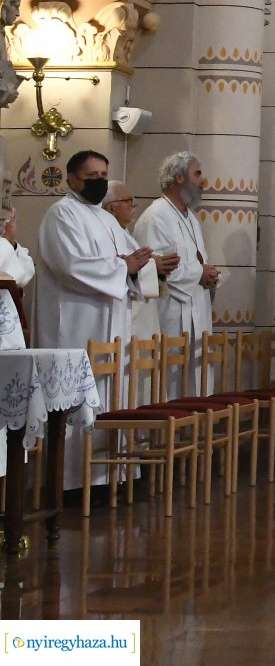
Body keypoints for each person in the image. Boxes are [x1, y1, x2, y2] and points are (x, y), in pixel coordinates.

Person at [37, 151, 150, 486]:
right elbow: (71, 265)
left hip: (109, 324)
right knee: (76, 399)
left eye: (104, 174)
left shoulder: (105, 218)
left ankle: (108, 476)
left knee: (109, 396)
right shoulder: (62, 215)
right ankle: (71, 482)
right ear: (71, 179)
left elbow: (132, 260)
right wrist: (122, 267)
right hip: (75, 324)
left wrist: (137, 266)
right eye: (92, 177)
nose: (100, 181)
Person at [132, 151, 217, 371]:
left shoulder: (191, 218)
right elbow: (157, 269)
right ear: (179, 178)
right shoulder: (155, 217)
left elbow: (197, 260)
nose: (203, 180)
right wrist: (199, 273)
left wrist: (209, 275)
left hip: (196, 309)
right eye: (197, 174)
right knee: (172, 382)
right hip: (171, 314)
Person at [103, 182, 163, 341]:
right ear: (111, 208)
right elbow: (118, 268)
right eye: (128, 200)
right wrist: (154, 266)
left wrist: (158, 268)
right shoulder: (107, 233)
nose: (134, 204)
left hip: (142, 317)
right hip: (128, 321)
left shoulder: (124, 232)